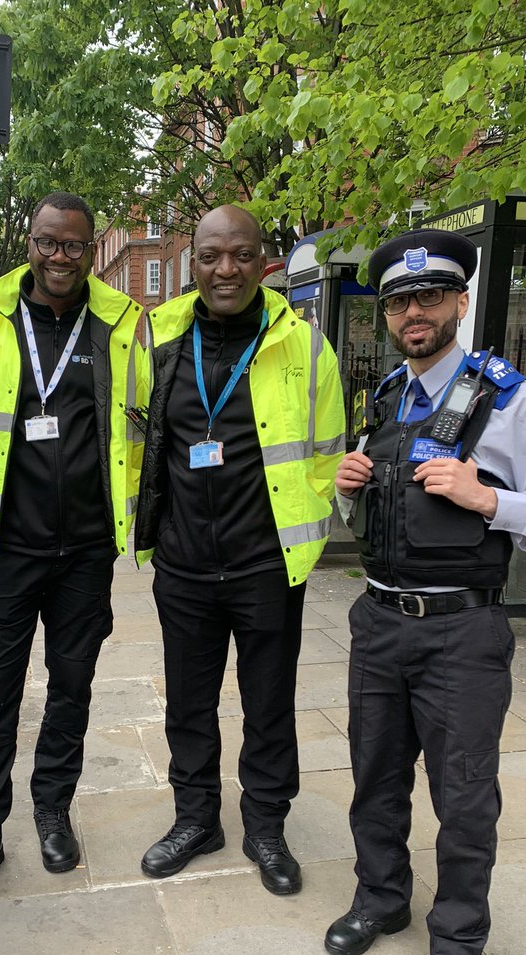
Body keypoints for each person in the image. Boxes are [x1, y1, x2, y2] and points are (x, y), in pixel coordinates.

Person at [325, 229, 526, 955]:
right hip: (379, 622)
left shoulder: (510, 399)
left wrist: (491, 501)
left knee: (465, 797)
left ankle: (458, 945)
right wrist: (349, 490)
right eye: (399, 302)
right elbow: (386, 515)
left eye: (430, 297)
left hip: (461, 635)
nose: (414, 313)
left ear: (460, 303)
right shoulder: (385, 401)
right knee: (375, 780)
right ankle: (382, 899)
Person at [0, 191, 147, 905]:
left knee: (71, 691)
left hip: (86, 553)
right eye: (48, 243)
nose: (60, 257)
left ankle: (53, 811)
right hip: (10, 553)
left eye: (75, 246)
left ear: (92, 251)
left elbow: (140, 430)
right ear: (29, 244)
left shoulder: (119, 329)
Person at [135, 204, 346, 895]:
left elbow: (325, 452)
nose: (225, 269)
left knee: (269, 701)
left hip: (266, 564)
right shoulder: (161, 337)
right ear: (192, 261)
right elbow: (135, 443)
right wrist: (152, 534)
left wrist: (304, 537)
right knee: (188, 704)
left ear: (263, 260)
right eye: (210, 257)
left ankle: (265, 825)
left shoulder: (304, 344)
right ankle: (196, 818)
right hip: (184, 563)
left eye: (241, 255)